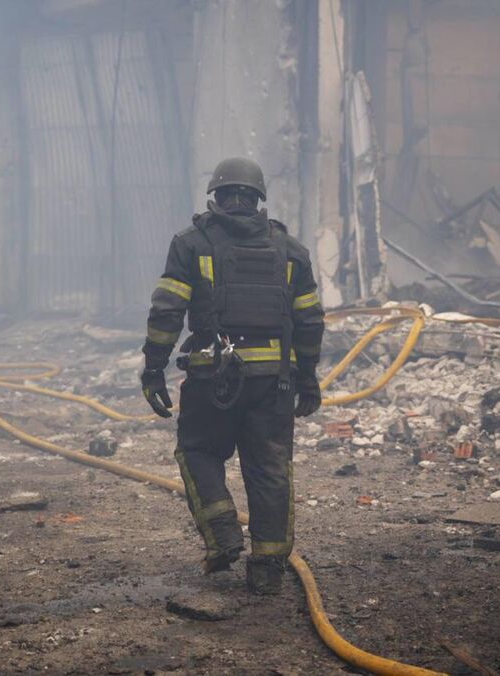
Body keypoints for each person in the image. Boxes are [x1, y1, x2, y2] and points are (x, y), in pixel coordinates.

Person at [140, 157, 325, 594]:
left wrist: (154, 368)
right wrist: (308, 377)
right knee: (270, 469)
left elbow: (167, 311)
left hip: (212, 378)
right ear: (258, 199)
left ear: (217, 196)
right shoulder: (291, 251)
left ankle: (222, 533)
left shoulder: (191, 244)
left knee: (198, 451)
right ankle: (267, 569)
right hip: (274, 383)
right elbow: (310, 321)